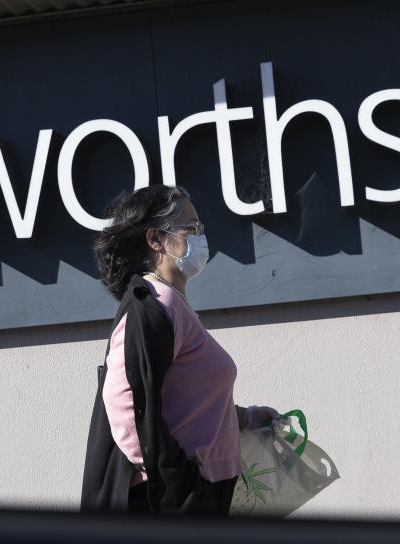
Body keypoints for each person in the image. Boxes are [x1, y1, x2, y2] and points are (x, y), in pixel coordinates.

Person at [80, 184, 280, 515]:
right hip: (175, 504)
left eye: (200, 227)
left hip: (202, 495)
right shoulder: (153, 305)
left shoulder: (174, 304)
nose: (201, 236)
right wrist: (178, 486)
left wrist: (243, 418)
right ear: (156, 240)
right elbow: (124, 402)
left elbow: (185, 401)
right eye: (191, 228)